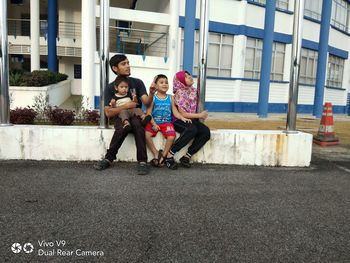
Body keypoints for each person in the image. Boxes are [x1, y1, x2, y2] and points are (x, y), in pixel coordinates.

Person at [93, 54, 156, 175]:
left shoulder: (137, 82)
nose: (128, 66)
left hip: (135, 115)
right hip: (121, 116)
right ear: (115, 68)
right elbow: (108, 112)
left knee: (138, 126)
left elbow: (146, 102)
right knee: (122, 129)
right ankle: (108, 158)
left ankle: (142, 161)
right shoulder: (110, 88)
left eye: (128, 63)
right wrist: (125, 106)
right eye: (123, 64)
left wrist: (152, 93)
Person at [161, 70, 211, 169]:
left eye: (189, 75)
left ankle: (187, 156)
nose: (190, 77)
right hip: (178, 120)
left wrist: (198, 116)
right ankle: (170, 155)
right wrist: (200, 115)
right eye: (186, 76)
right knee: (191, 129)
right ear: (180, 81)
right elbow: (182, 113)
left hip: (191, 119)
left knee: (205, 132)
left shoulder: (193, 91)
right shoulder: (180, 93)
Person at [144, 74, 191, 167]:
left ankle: (164, 155)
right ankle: (156, 153)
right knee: (146, 135)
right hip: (154, 122)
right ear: (155, 85)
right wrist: (153, 124)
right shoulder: (153, 98)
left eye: (166, 82)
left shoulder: (171, 98)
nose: (164, 84)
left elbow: (175, 112)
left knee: (171, 136)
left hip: (166, 123)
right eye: (161, 82)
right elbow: (148, 113)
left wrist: (182, 118)